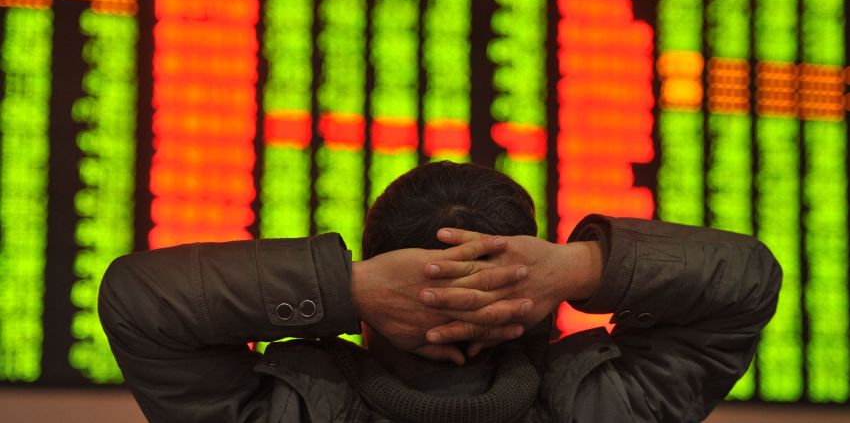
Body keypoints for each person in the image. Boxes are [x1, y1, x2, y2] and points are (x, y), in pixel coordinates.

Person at [99, 162, 781, 422]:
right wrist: (580, 269)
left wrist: (349, 287)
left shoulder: (283, 411)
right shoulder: (609, 406)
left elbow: (140, 301)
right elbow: (746, 281)